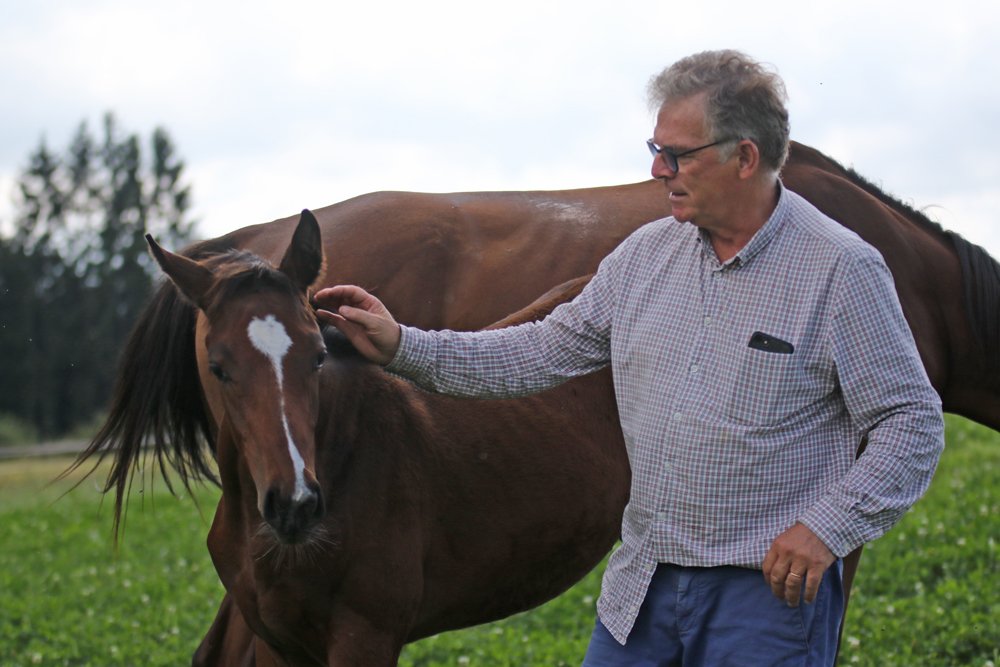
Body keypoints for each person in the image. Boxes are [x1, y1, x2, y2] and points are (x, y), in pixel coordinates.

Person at [315, 50, 944, 666]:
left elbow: (911, 422)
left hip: (764, 599)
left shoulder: (841, 269)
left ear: (745, 158)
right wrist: (403, 345)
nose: (657, 170)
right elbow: (537, 351)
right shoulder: (644, 256)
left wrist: (828, 527)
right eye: (655, 149)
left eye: (677, 154)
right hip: (643, 591)